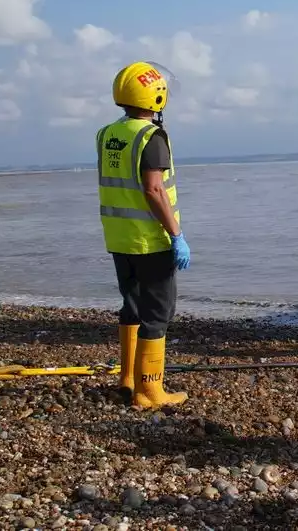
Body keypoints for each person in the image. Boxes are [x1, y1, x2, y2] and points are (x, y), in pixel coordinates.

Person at [98, 61, 193, 410]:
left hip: (119, 238)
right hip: (150, 241)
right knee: (158, 313)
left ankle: (127, 379)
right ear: (156, 96)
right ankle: (150, 391)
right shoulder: (151, 137)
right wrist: (177, 234)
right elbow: (154, 190)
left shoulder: (107, 134)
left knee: (132, 308)